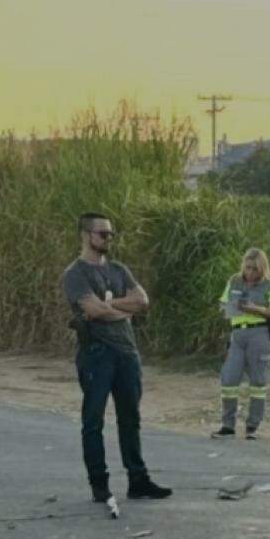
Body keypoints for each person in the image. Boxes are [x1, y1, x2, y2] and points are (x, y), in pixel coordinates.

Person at [61, 213, 172, 506]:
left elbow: (143, 301)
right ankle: (99, 484)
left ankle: (138, 480)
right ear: (86, 235)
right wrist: (122, 309)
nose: (108, 238)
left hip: (126, 352)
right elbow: (93, 311)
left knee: (130, 418)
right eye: (102, 233)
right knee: (93, 420)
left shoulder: (119, 269)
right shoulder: (75, 274)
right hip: (96, 354)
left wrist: (109, 304)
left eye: (111, 233)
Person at [212, 248, 270, 440]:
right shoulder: (234, 280)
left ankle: (253, 426)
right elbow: (222, 303)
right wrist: (229, 307)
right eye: (247, 267)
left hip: (259, 333)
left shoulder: (269, 285)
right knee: (229, 379)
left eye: (254, 269)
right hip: (237, 333)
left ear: (262, 268)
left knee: (258, 381)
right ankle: (228, 426)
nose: (250, 272)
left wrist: (256, 309)